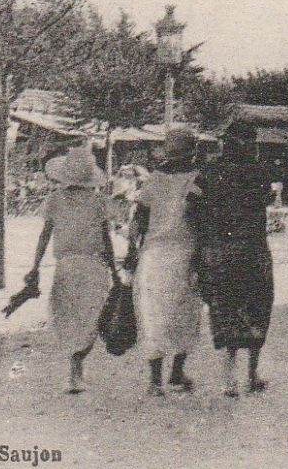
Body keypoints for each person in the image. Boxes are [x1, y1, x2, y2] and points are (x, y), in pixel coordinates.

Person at [191, 128, 275, 397]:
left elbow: (192, 204)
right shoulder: (259, 172)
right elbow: (266, 198)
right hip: (253, 248)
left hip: (219, 250)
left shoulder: (208, 172)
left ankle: (229, 379)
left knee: (226, 309)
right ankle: (252, 374)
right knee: (257, 308)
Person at [26, 145, 117, 393]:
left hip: (65, 266)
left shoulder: (54, 200)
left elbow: (44, 236)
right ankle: (78, 366)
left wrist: (34, 267)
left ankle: (73, 368)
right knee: (92, 318)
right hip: (94, 265)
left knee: (67, 316)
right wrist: (116, 272)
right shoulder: (99, 201)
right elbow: (106, 238)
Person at [125, 131, 205, 396]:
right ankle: (177, 371)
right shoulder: (197, 180)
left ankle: (155, 379)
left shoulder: (154, 181)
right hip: (186, 253)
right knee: (186, 314)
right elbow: (201, 220)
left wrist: (131, 252)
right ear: (192, 154)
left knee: (153, 316)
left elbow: (138, 221)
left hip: (154, 255)